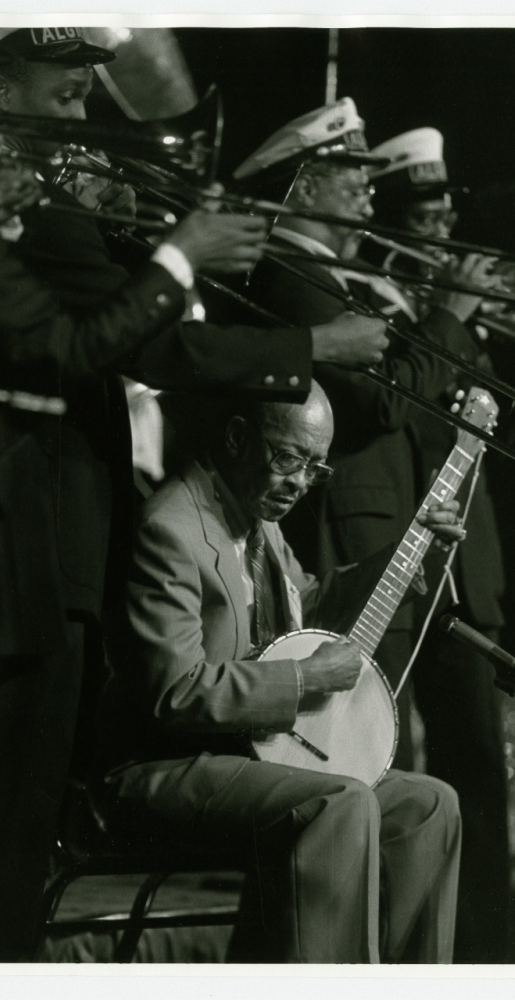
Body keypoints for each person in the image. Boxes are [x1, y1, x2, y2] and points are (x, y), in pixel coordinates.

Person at [0, 29, 389, 962]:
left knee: (14, 830)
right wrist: (278, 325)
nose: (89, 118)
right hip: (22, 538)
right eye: (66, 94)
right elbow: (126, 346)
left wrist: (153, 243)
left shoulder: (37, 204)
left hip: (60, 537)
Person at [93, 382, 466, 964]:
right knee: (339, 803)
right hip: (165, 764)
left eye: (315, 467)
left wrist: (400, 559)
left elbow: (308, 610)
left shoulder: (256, 517)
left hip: (249, 753)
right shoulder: (170, 526)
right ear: (237, 437)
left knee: (428, 806)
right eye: (288, 458)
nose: (298, 482)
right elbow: (175, 692)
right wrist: (306, 682)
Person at [237, 100, 492, 770]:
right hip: (361, 528)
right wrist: (450, 319)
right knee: (375, 746)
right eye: (354, 185)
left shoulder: (321, 276)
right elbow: (382, 403)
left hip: (396, 522)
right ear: (307, 186)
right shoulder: (291, 277)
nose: (370, 207)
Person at [367, 126, 510, 963]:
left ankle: (488, 960)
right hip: (397, 563)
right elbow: (403, 415)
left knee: (478, 778)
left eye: (445, 201)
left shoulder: (438, 309)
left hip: (462, 568)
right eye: (424, 204)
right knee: (397, 774)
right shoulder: (382, 299)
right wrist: (451, 321)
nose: (443, 216)